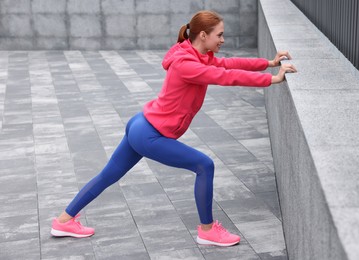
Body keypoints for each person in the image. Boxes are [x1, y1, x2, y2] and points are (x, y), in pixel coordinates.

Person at [50, 10, 297, 247]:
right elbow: (224, 77)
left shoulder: (197, 54)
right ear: (203, 35)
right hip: (149, 134)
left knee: (108, 175)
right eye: (219, 35)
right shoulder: (186, 64)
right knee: (204, 165)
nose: (223, 39)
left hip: (142, 124)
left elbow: (229, 64)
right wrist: (273, 79)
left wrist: (269, 63)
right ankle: (208, 231)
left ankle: (63, 221)